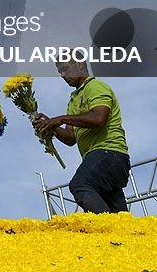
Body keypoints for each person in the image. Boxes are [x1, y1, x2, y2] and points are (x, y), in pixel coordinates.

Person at [34, 60, 131, 213]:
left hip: (109, 153)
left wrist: (61, 119)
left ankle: (105, 230)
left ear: (80, 65)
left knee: (81, 184)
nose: (63, 75)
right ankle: (121, 235)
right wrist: (51, 126)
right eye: (60, 72)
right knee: (117, 213)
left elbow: (99, 118)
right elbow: (70, 137)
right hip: (102, 161)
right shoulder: (73, 100)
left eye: (65, 69)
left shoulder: (95, 86)